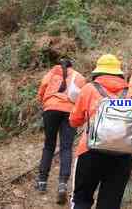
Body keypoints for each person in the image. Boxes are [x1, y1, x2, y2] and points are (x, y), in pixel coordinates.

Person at [69, 54, 132, 209]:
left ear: (98, 72)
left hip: (90, 152)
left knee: (81, 199)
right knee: (110, 204)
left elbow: (74, 120)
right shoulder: (131, 94)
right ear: (119, 73)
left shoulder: (88, 89)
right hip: (122, 157)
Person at [36, 58, 86, 204]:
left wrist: (45, 104)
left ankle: (42, 182)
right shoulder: (79, 76)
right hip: (69, 111)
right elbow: (82, 98)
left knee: (49, 145)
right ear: (72, 65)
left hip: (50, 109)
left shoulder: (52, 73)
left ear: (59, 65)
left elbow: (42, 90)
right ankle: (63, 184)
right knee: (66, 147)